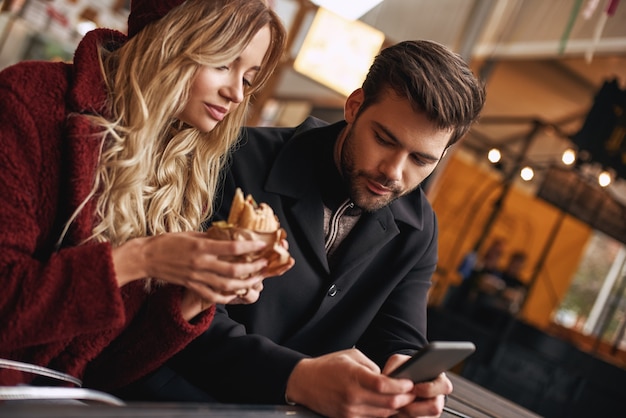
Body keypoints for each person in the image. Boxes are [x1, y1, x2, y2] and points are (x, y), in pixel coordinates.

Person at [120, 39, 486, 417]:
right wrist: (297, 377)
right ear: (354, 106)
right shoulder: (233, 158)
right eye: (384, 139)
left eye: (421, 159)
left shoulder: (419, 229)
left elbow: (399, 335)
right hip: (167, 400)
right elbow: (170, 312)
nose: (393, 171)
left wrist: (412, 377)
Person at [0, 0, 289, 390]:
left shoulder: (181, 172)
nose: (237, 93)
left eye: (249, 78)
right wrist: (142, 258)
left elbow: (106, 371)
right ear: (167, 39)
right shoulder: (29, 102)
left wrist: (198, 296)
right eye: (222, 63)